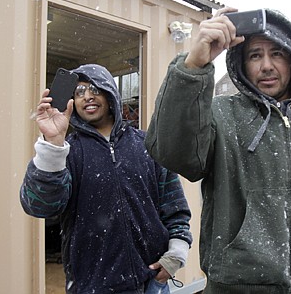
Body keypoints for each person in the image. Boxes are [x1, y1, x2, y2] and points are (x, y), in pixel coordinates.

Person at [145, 7, 291, 294]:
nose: (267, 65)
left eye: (277, 54)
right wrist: (194, 66)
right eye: (255, 55)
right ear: (242, 64)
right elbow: (171, 152)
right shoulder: (220, 116)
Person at [20, 64, 192, 294]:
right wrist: (52, 144)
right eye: (79, 92)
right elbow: (40, 206)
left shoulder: (148, 145)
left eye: (94, 89)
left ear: (110, 93)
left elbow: (175, 208)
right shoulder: (66, 152)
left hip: (152, 282)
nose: (87, 96)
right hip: (93, 286)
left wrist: (176, 255)